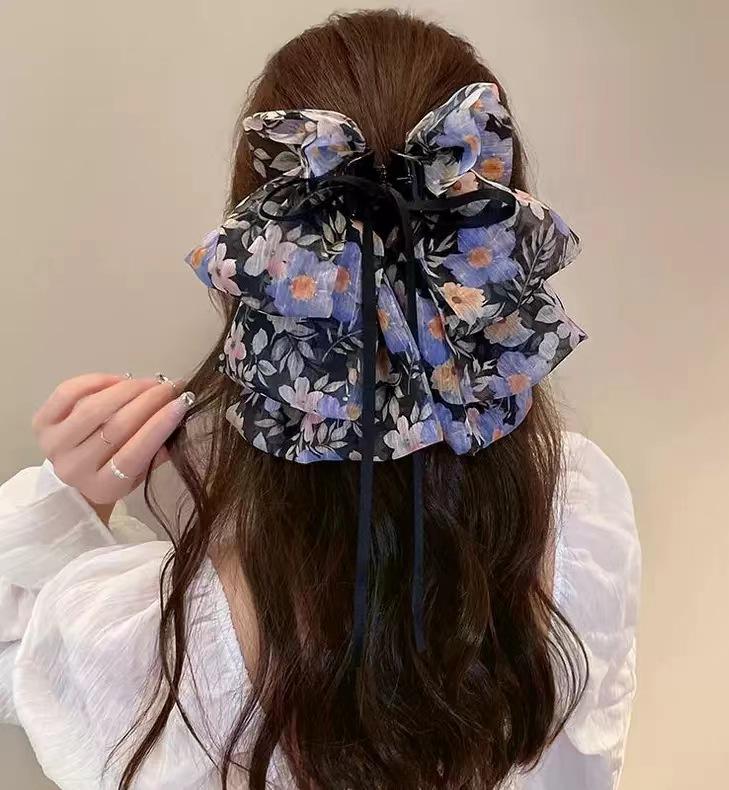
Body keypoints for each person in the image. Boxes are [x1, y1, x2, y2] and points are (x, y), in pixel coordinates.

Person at [0, 9, 640, 790]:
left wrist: (66, 503)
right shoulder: (584, 508)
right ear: (495, 253)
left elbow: (24, 662)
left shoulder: (147, 650)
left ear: (262, 270)